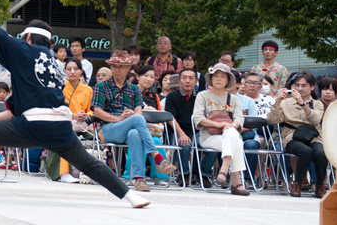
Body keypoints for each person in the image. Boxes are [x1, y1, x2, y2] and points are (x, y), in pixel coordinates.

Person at [0, 7, 147, 207]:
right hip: (59, 126)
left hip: (33, 125)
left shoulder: (23, 49)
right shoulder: (52, 62)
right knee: (89, 164)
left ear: (28, 37)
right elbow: (25, 100)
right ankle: (130, 196)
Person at [92, 49, 179, 193]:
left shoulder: (134, 89)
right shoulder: (101, 86)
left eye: (120, 66)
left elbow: (138, 111)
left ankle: (139, 179)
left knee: (134, 133)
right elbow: (97, 111)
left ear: (128, 69)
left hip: (127, 128)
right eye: (114, 66)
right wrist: (119, 118)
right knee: (137, 120)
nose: (117, 69)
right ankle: (156, 157)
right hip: (108, 129)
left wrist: (131, 114)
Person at [192, 63, 250, 195]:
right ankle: (236, 180)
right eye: (216, 76)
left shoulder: (234, 99)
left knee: (233, 136)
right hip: (209, 136)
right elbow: (198, 118)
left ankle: (224, 169)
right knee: (237, 143)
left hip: (228, 135)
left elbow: (239, 119)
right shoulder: (203, 95)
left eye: (222, 76)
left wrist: (232, 125)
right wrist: (220, 124)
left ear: (228, 80)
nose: (218, 79)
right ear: (211, 79)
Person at [267, 71, 327, 198]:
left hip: (313, 136)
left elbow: (315, 119)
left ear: (312, 87)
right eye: (297, 85)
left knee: (321, 153)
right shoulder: (285, 103)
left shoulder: (318, 104)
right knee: (305, 151)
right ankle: (297, 183)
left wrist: (302, 104)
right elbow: (273, 120)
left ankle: (320, 184)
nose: (299, 88)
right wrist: (277, 101)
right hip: (292, 136)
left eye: (304, 85)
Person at [58, 57, 93, 184]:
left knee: (95, 138)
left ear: (81, 71)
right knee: (67, 136)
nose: (72, 72)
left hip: (83, 124)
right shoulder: (60, 87)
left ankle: (91, 172)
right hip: (65, 122)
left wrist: (85, 115)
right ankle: (64, 173)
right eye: (69, 69)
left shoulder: (88, 90)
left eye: (75, 69)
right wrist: (73, 115)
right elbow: (58, 108)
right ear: (65, 71)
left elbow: (91, 110)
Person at [163, 67, 199, 180]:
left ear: (196, 82)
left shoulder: (200, 97)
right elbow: (171, 118)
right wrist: (182, 134)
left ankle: (203, 174)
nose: (187, 81)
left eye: (191, 78)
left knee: (207, 144)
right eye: (184, 78)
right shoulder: (172, 97)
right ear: (179, 81)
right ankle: (184, 174)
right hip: (177, 131)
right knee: (184, 144)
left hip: (196, 132)